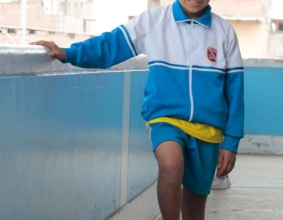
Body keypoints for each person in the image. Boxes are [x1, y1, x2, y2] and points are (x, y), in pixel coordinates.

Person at [31, 0, 244, 219]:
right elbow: (110, 46)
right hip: (166, 118)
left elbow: (235, 90)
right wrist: (69, 54)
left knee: (195, 205)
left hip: (208, 128)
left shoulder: (224, 32)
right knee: (171, 166)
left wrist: (232, 141)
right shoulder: (153, 21)